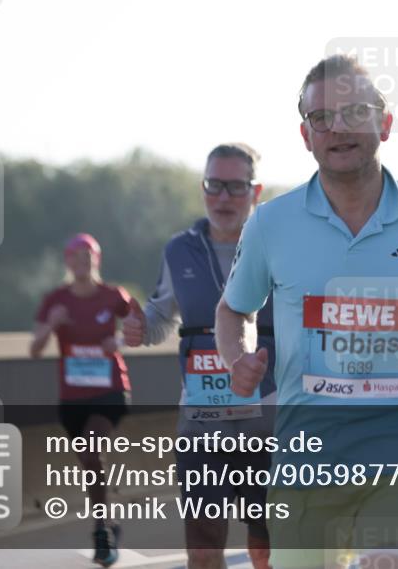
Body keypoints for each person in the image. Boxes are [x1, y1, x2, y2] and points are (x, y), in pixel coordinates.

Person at [215, 54, 398, 569]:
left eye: (353, 112)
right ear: (305, 135)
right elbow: (233, 311)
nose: (337, 128)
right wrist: (239, 359)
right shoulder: (271, 224)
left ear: (384, 124)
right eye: (321, 117)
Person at [122, 143, 274, 569]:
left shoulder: (277, 246)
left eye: (235, 186)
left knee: (268, 546)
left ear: (255, 190)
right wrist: (139, 327)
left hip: (269, 422)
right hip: (201, 423)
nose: (223, 197)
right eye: (213, 185)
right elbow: (159, 316)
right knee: (203, 546)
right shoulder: (179, 249)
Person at [30, 233, 133, 566]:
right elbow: (34, 349)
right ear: (68, 262)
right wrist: (51, 325)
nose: (83, 262)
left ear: (97, 260)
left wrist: (118, 340)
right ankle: (109, 522)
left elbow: (140, 327)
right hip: (73, 395)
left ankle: (100, 533)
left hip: (110, 390)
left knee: (91, 451)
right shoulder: (55, 300)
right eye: (76, 257)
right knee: (89, 464)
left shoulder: (113, 296)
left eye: (88, 256)